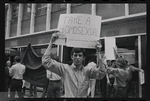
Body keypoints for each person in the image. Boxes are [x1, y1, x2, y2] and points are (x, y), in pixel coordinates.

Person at [42, 32, 106, 98]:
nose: (77, 57)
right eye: (75, 55)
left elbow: (101, 73)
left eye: (80, 55)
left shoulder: (88, 71)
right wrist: (51, 42)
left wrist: (98, 52)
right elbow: (46, 62)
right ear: (72, 57)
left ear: (83, 58)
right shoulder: (65, 69)